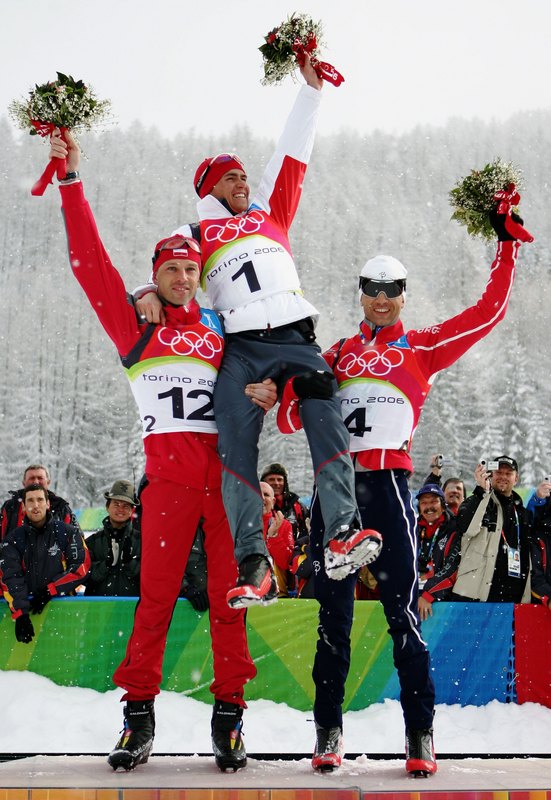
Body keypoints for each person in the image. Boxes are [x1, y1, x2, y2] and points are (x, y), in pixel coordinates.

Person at [277, 197, 533, 775]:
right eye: (373, 290)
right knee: (332, 619)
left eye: (393, 291)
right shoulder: (337, 353)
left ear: (404, 297)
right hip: (334, 491)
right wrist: (299, 386)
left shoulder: (420, 348)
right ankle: (328, 732)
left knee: (402, 616)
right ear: (361, 294)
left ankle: (420, 734)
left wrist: (506, 246)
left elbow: (487, 314)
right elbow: (291, 422)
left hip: (390, 488)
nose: (383, 299)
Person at [48, 130, 278, 773]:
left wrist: (271, 390)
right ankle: (138, 718)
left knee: (231, 605)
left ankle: (230, 719)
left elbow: (270, 355)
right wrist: (70, 182)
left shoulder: (223, 327)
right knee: (154, 603)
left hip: (227, 484)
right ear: (155, 276)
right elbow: (90, 264)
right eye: (170, 271)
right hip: (171, 488)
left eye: (189, 270)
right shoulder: (136, 325)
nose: (181, 278)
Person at [135, 55, 382, 608]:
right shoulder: (196, 228)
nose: (243, 180)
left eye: (245, 174)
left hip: (296, 337)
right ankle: (253, 561)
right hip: (243, 349)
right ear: (208, 187)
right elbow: (167, 267)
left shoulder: (271, 212)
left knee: (326, 413)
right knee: (235, 447)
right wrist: (144, 291)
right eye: (230, 176)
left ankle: (342, 531)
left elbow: (292, 153)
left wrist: (311, 92)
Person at [0, 484, 90, 644]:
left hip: (66, 616)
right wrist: (20, 614)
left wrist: (51, 590)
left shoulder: (68, 533)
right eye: (31, 501)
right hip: (28, 617)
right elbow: (9, 577)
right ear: (24, 506)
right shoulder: (12, 540)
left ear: (48, 504)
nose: (35, 505)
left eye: (40, 500)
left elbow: (80, 567)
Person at [451, 456, 530, 603]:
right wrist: (482, 491)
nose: (503, 477)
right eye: (499, 472)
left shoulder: (522, 513)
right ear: (491, 474)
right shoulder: (478, 500)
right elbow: (466, 528)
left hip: (512, 598)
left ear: (516, 478)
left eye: (508, 473)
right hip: (475, 595)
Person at [84, 480, 141, 597]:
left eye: (126, 506)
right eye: (116, 504)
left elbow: (152, 579)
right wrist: (106, 565)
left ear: (132, 510)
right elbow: (83, 577)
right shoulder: (92, 542)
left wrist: (130, 564)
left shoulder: (143, 542)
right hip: (98, 611)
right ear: (107, 507)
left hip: (132, 611)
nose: (121, 509)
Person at [260, 462, 309, 596]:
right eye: (271, 479)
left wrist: (274, 536)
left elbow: (287, 560)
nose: (276, 483)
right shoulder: (241, 521)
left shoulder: (297, 507)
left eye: (279, 479)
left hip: (288, 567)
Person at [415, 485, 460, 620]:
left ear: (443, 505)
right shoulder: (411, 530)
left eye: (434, 501)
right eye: (424, 503)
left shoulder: (455, 528)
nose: (429, 507)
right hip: (412, 599)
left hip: (442, 602)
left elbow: (454, 567)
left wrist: (429, 593)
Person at [1, 463, 79, 540]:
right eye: (31, 478)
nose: (36, 481)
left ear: (48, 482)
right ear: (23, 483)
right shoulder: (10, 507)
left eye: (40, 478)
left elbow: (77, 540)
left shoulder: (61, 507)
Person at [260, 481, 294, 597]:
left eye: (266, 495)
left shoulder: (284, 525)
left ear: (273, 502)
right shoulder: (239, 525)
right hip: (246, 590)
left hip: (277, 594)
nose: (262, 498)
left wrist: (273, 537)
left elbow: (286, 564)